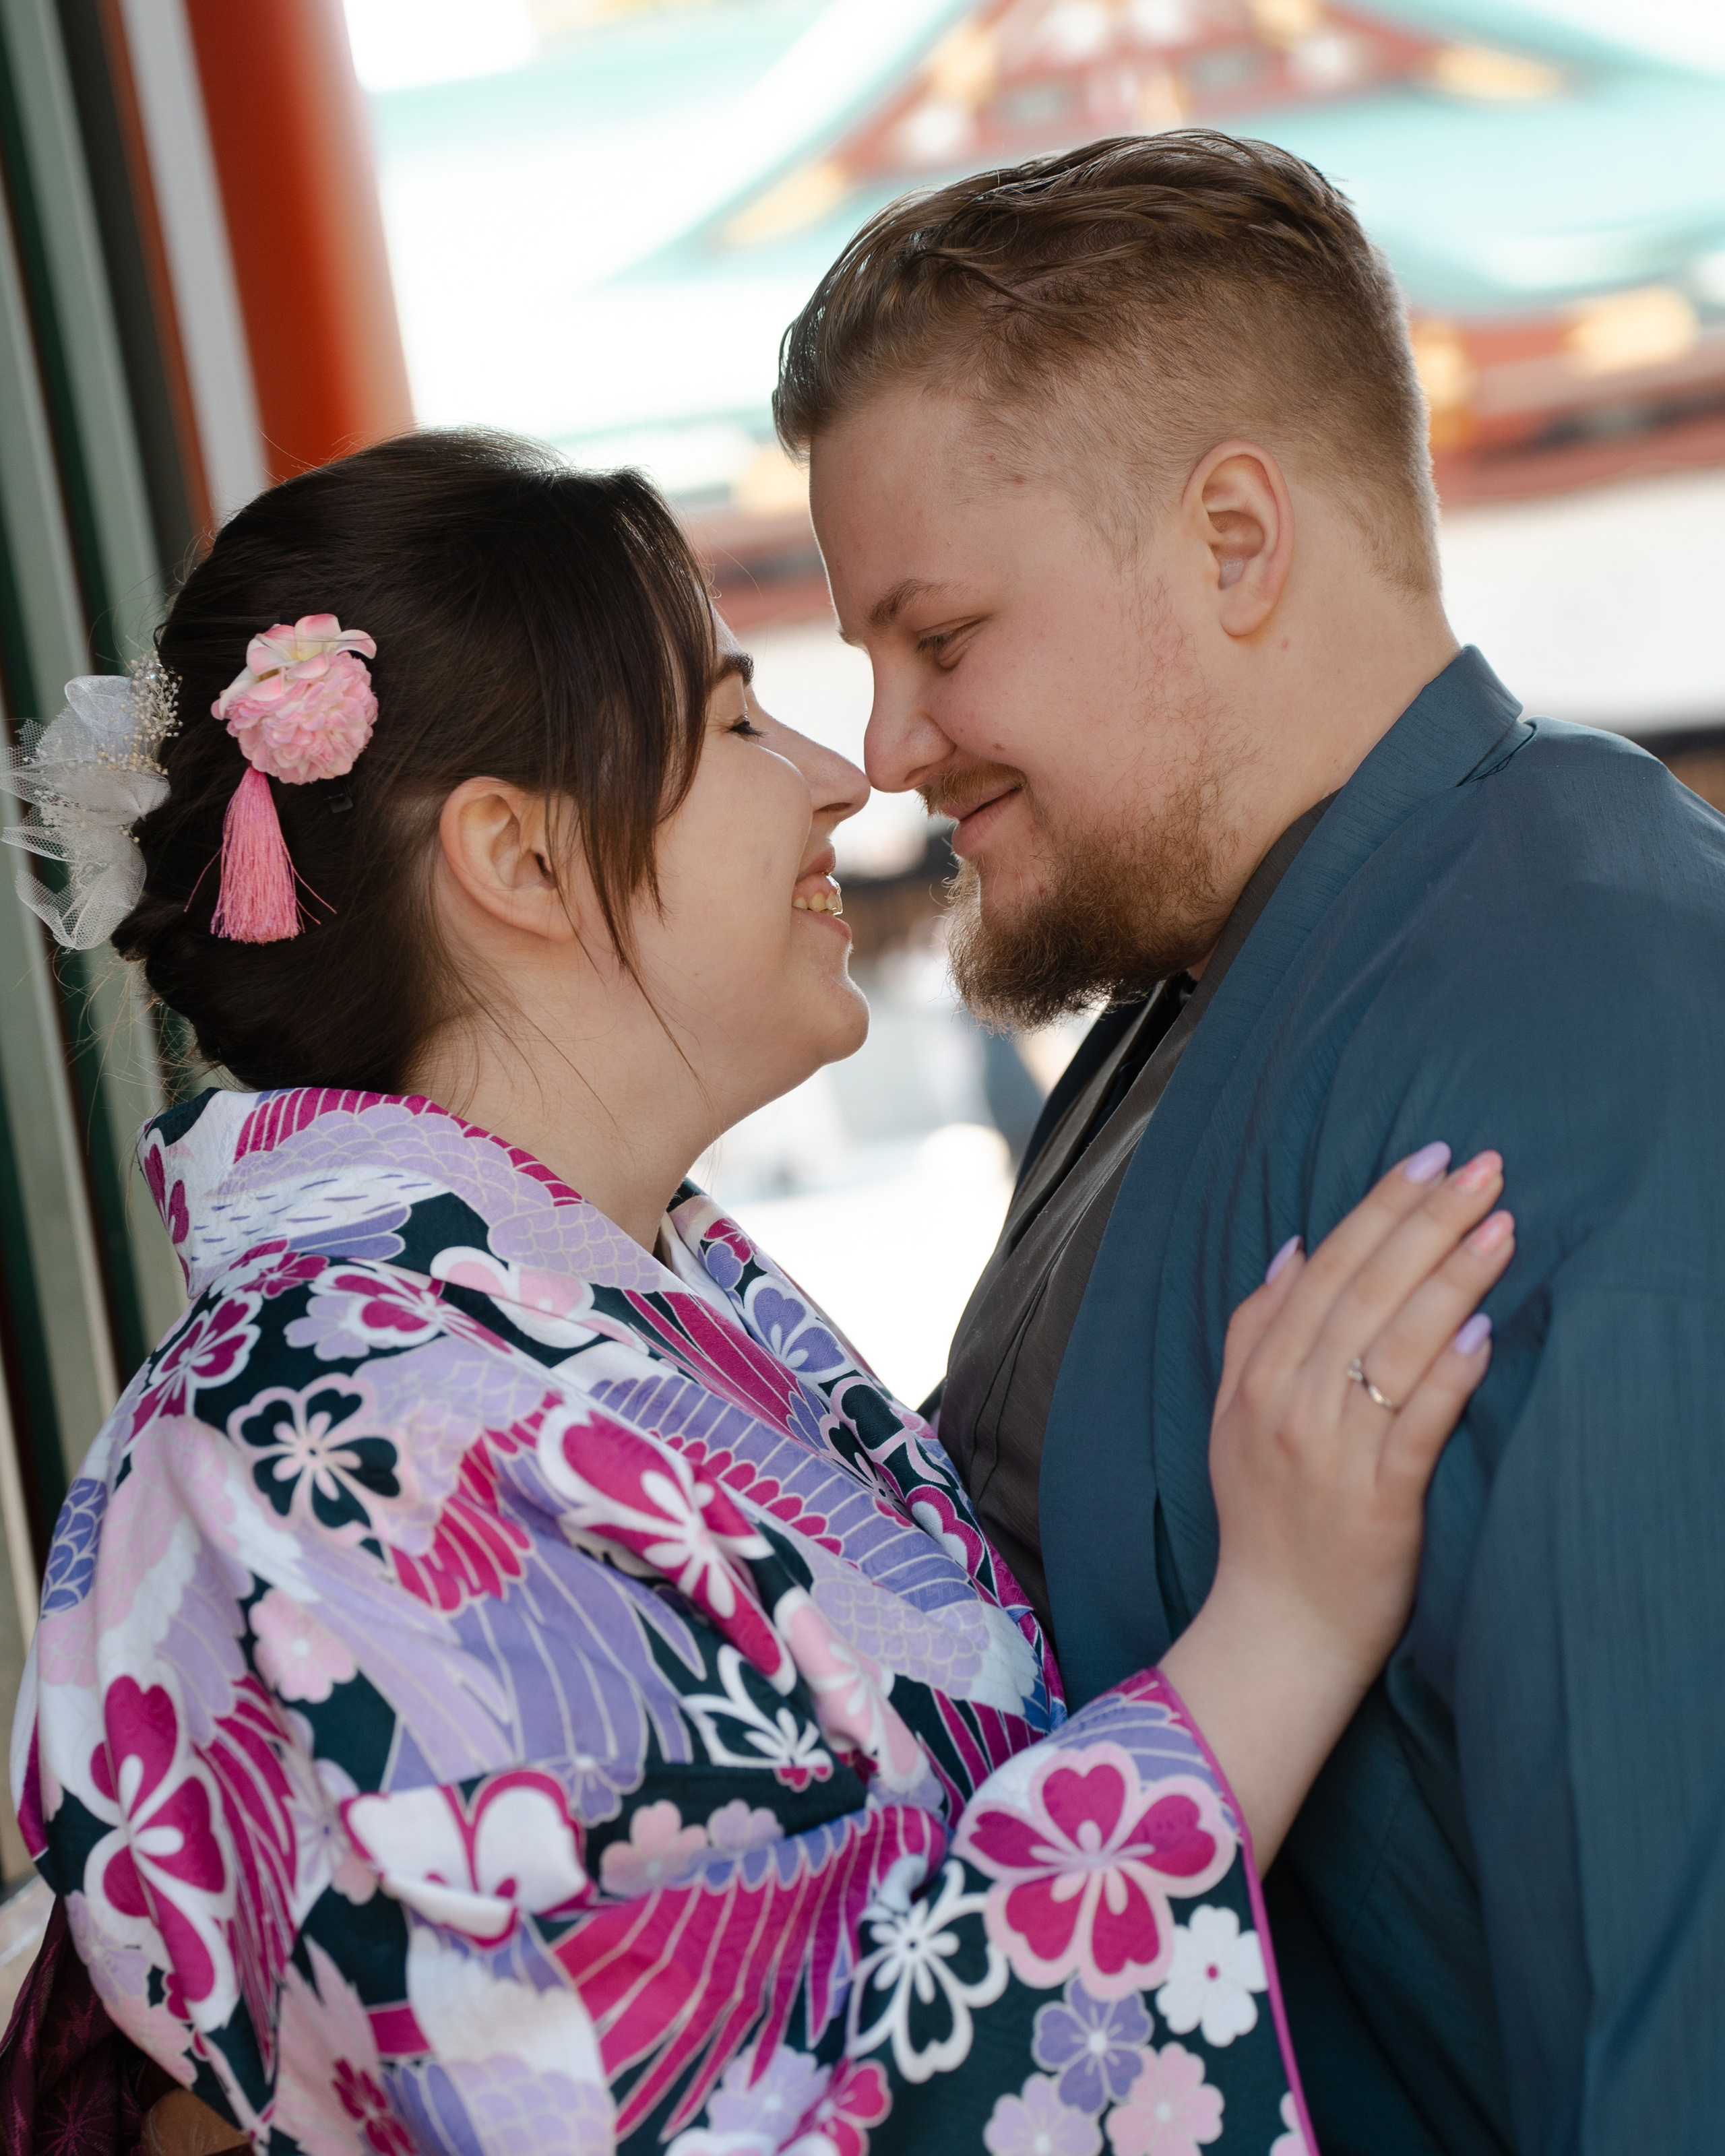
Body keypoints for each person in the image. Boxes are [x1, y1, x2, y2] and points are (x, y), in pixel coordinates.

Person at [2, 433, 1508, 2155]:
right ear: (517, 857)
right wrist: (1279, 1632)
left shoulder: (564, 1311)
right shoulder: (334, 1439)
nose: (837, 774)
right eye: (729, 724)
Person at [778, 127, 1725, 2153]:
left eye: (940, 639)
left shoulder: (1592, 1018)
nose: (886, 750)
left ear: (1232, 538)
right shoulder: (1205, 987)